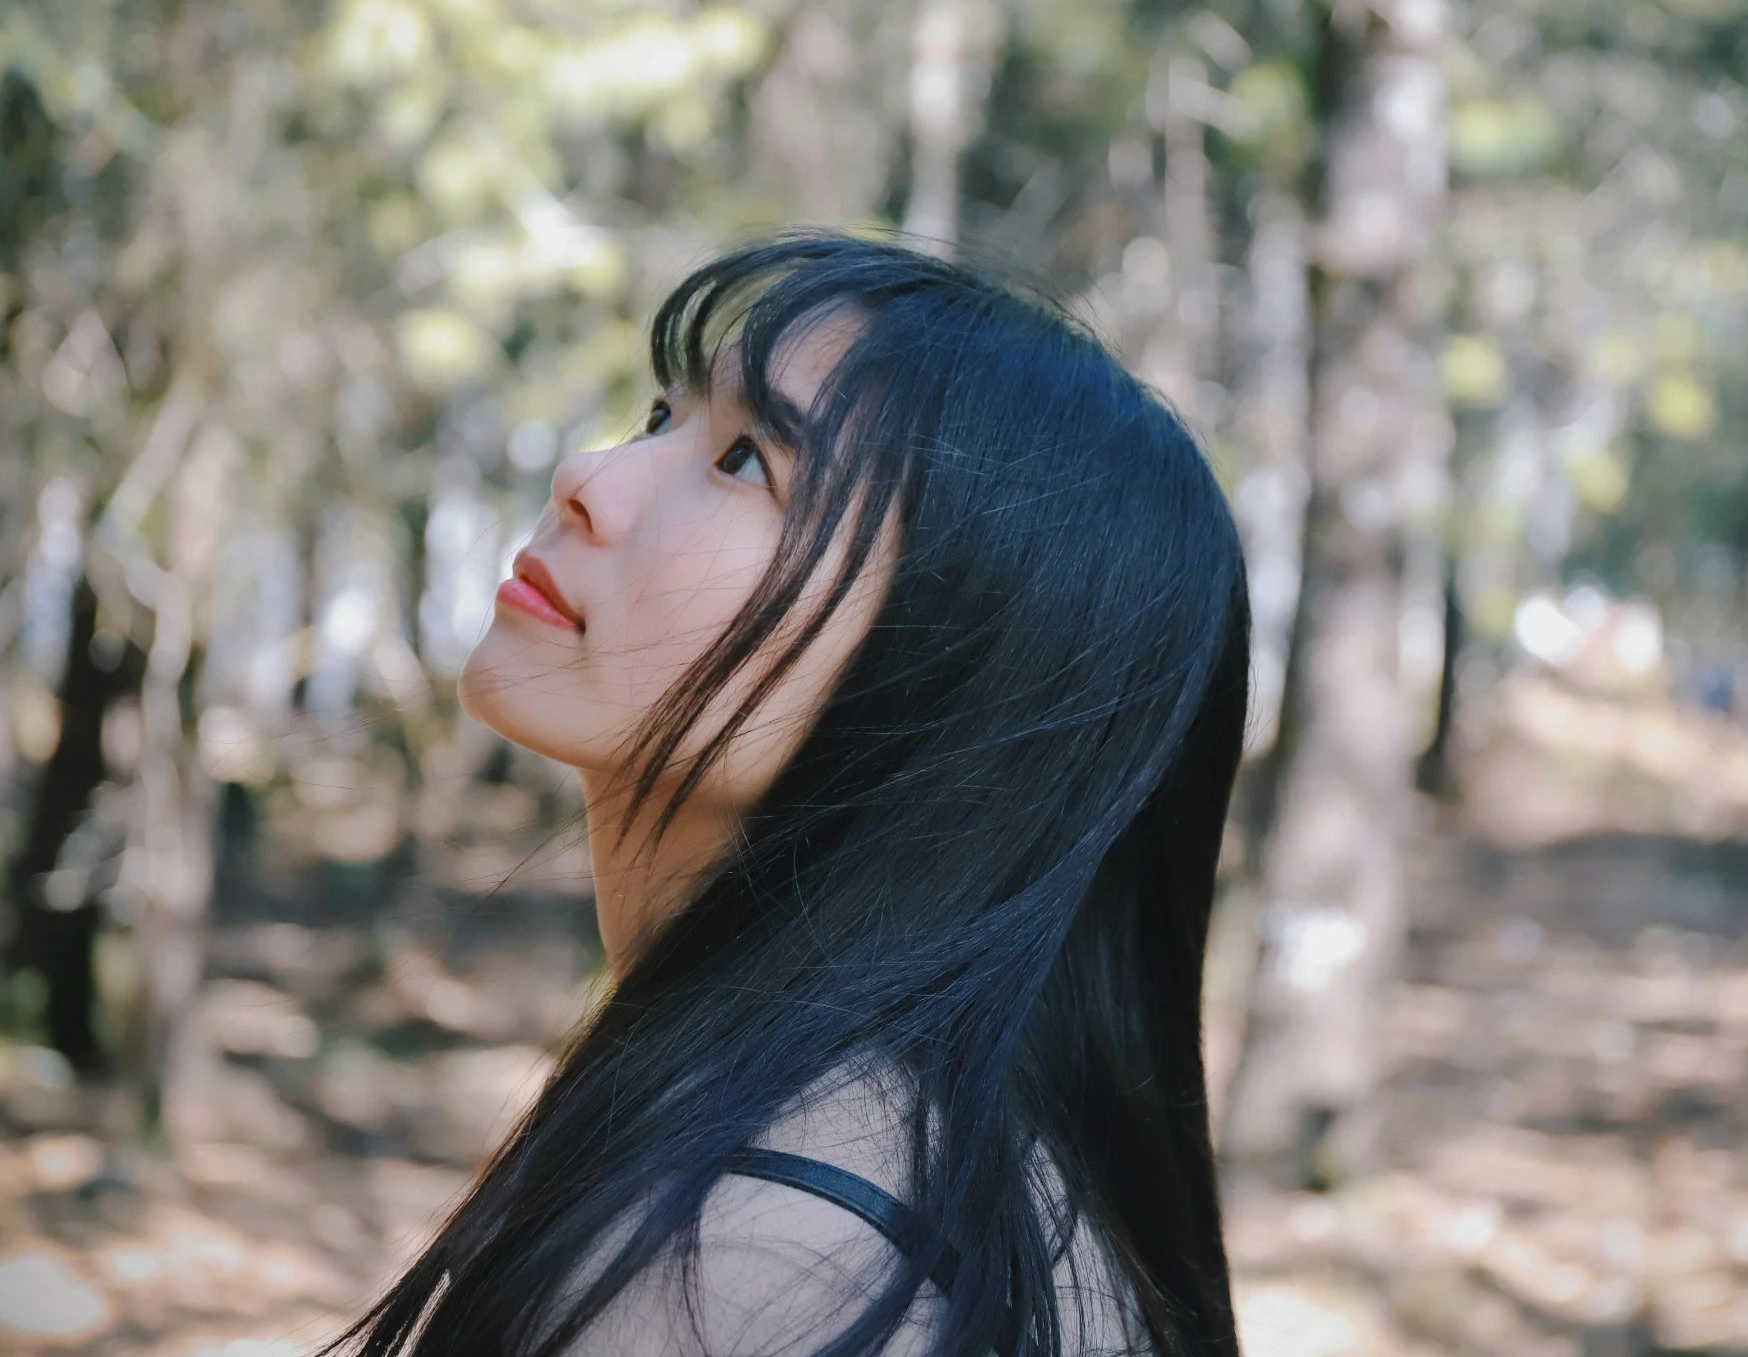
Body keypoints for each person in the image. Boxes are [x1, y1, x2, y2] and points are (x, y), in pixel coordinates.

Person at [325, 234, 1250, 1357]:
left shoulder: (755, 1269)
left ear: (945, 666)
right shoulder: (906, 1169)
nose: (590, 479)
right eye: (661, 420)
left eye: (747, 462)